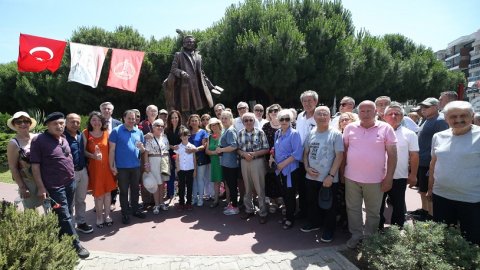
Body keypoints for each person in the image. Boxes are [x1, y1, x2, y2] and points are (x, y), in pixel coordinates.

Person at [30, 112, 90, 259]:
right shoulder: (39, 141)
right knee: (64, 215)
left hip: (70, 183)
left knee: (67, 212)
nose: (59, 126)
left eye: (61, 123)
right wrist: (41, 187)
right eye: (55, 124)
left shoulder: (63, 138)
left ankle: (61, 239)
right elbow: (35, 166)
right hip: (54, 187)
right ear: (47, 125)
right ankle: (76, 245)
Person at [342, 101, 397, 249]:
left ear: (376, 112)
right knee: (353, 208)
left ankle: (369, 238)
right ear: (358, 113)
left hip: (376, 179)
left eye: (369, 111)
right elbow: (345, 151)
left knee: (373, 212)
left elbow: (392, 155)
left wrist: (389, 177)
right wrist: (342, 172)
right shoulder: (349, 128)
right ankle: (356, 235)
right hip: (351, 177)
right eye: (362, 111)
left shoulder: (386, 128)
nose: (366, 114)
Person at [427, 101, 480, 245]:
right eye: (453, 116)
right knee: (442, 238)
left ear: (472, 116)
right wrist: (430, 188)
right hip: (442, 196)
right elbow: (433, 163)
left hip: (472, 199)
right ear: (446, 119)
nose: (458, 120)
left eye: (463, 115)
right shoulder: (438, 137)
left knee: (472, 241)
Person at [301, 106, 344, 243]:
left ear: (329, 117)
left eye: (325, 114)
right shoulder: (311, 133)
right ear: (314, 117)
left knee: (329, 206)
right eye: (319, 114)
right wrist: (306, 167)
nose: (321, 116)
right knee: (312, 203)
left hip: (328, 179)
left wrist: (330, 176)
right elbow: (305, 153)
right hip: (311, 177)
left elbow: (339, 156)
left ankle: (329, 229)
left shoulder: (336, 134)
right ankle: (314, 223)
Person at [379, 103, 419, 229]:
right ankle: (378, 228)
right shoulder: (376, 132)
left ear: (402, 116)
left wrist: (413, 175)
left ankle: (397, 230)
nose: (393, 116)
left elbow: (414, 156)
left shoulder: (410, 134)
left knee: (398, 205)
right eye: (390, 113)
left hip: (399, 176)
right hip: (377, 176)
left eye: (397, 113)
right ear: (384, 116)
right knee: (378, 206)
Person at [410, 97, 448, 220]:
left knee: (428, 192)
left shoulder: (440, 121)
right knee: (422, 190)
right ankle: (425, 211)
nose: (423, 109)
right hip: (422, 161)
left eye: (426, 107)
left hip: (429, 163)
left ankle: (430, 216)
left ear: (436, 107)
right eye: (422, 107)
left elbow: (443, 143)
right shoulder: (427, 119)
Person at [163, 35, 221, 115]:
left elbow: (202, 74)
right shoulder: (178, 55)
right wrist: (181, 72)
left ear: (194, 44)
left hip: (197, 87)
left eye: (191, 42)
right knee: (186, 109)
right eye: (187, 42)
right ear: (183, 44)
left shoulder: (199, 57)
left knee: (199, 108)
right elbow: (173, 69)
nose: (189, 43)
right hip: (185, 87)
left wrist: (211, 87)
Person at [109, 110, 147, 225]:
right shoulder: (116, 131)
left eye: (133, 118)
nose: (131, 120)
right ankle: (125, 213)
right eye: (129, 118)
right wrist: (112, 165)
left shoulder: (139, 132)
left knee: (135, 190)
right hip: (122, 167)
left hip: (135, 166)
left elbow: (143, 150)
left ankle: (135, 209)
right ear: (124, 118)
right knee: (124, 191)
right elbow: (112, 150)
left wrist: (142, 148)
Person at [83, 111, 117, 228]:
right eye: (93, 120)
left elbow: (112, 151)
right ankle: (99, 218)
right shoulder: (86, 133)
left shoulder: (107, 133)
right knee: (98, 195)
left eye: (98, 120)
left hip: (107, 168)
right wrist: (93, 156)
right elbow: (83, 151)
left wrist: (113, 166)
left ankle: (107, 216)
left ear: (102, 121)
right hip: (95, 169)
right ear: (90, 121)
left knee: (107, 194)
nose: (96, 122)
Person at [271, 109, 303, 229]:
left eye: (287, 119)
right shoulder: (277, 133)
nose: (284, 121)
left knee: (290, 194)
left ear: (291, 120)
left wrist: (282, 164)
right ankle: (288, 215)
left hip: (290, 169)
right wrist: (271, 157)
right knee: (284, 193)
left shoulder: (294, 133)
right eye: (282, 119)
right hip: (279, 169)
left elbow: (297, 153)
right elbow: (275, 148)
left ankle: (290, 218)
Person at [237, 112, 270, 224]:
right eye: (246, 120)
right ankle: (249, 209)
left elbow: (266, 148)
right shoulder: (240, 133)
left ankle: (263, 212)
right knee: (247, 188)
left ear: (254, 121)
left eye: (251, 120)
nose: (248, 122)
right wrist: (243, 154)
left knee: (260, 188)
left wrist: (254, 154)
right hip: (244, 162)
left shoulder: (260, 132)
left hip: (257, 162)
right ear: (243, 122)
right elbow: (237, 149)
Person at [6, 111, 42, 210]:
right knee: (30, 210)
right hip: (28, 182)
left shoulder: (37, 137)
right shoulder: (14, 143)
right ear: (14, 124)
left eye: (26, 121)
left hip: (44, 179)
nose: (23, 124)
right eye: (18, 122)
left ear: (30, 123)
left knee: (50, 208)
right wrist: (22, 187)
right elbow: (13, 167)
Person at [64, 113, 93, 234]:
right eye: (72, 121)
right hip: (69, 173)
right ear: (66, 122)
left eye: (77, 122)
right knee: (69, 201)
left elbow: (84, 152)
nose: (75, 124)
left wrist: (94, 156)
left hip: (82, 171)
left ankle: (81, 222)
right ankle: (69, 226)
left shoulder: (81, 135)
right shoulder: (62, 137)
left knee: (81, 199)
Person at [295, 90, 319, 219]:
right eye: (304, 101)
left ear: (316, 102)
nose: (307, 103)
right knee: (302, 187)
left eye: (310, 101)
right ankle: (303, 211)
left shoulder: (319, 116)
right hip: (299, 158)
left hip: (314, 159)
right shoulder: (300, 116)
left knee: (313, 189)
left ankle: (313, 215)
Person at [143, 119, 170, 214]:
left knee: (162, 184)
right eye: (158, 125)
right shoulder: (150, 138)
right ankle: (156, 205)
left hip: (163, 162)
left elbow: (167, 150)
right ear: (153, 127)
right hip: (153, 161)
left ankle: (162, 203)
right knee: (155, 184)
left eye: (162, 126)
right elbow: (146, 153)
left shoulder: (165, 137)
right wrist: (147, 165)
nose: (160, 127)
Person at [217, 110, 240, 215]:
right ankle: (232, 204)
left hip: (231, 163)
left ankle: (235, 207)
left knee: (232, 185)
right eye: (222, 118)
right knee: (230, 185)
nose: (223, 120)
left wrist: (221, 150)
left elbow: (234, 146)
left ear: (231, 119)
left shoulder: (230, 130)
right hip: (226, 162)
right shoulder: (225, 130)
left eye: (226, 118)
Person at [100, 101, 122, 211]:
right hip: (100, 156)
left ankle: (112, 201)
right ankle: (100, 201)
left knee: (114, 178)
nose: (106, 110)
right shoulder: (96, 123)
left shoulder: (118, 124)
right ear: (101, 110)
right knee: (101, 178)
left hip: (115, 155)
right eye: (104, 108)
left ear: (112, 111)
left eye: (109, 109)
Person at [262, 104, 283, 213]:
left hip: (283, 157)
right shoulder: (265, 126)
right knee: (271, 179)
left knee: (282, 179)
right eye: (271, 111)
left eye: (276, 110)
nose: (274, 112)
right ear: (268, 113)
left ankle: (282, 201)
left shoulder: (285, 124)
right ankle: (273, 202)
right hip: (268, 157)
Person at [187, 114, 210, 207]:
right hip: (190, 160)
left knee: (200, 179)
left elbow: (204, 145)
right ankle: (194, 198)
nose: (194, 122)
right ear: (189, 122)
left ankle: (201, 198)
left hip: (201, 158)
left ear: (199, 122)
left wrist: (195, 149)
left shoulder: (203, 132)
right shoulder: (187, 133)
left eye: (196, 120)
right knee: (193, 179)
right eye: (192, 120)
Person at [175, 127, 197, 211]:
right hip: (181, 170)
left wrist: (195, 170)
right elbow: (177, 159)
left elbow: (194, 159)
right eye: (182, 136)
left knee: (190, 186)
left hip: (190, 169)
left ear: (189, 136)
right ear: (180, 137)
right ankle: (181, 203)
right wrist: (178, 169)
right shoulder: (178, 147)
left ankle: (189, 203)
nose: (184, 137)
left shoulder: (192, 147)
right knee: (181, 187)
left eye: (185, 135)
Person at [165, 110, 185, 201]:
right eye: (172, 118)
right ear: (169, 119)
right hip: (169, 155)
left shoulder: (183, 129)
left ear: (179, 118)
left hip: (180, 155)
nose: (174, 119)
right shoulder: (166, 130)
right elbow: (164, 143)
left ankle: (182, 195)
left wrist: (178, 146)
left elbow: (185, 142)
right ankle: (170, 194)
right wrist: (171, 146)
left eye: (176, 117)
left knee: (181, 175)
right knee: (170, 175)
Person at [205, 118, 223, 208]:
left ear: (219, 125)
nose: (214, 126)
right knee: (216, 182)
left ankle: (228, 201)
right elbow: (207, 150)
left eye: (215, 124)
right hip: (215, 162)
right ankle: (216, 200)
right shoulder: (210, 137)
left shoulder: (224, 135)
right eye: (212, 125)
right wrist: (214, 153)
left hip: (224, 161)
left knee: (227, 182)